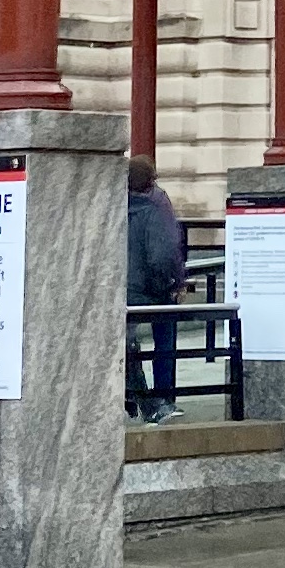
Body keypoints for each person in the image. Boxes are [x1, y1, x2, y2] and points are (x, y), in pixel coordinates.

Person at [125, 158, 187, 418]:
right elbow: (164, 253)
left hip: (122, 287)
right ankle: (163, 398)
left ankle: (132, 395)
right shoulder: (158, 204)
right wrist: (174, 282)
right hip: (153, 290)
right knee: (164, 341)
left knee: (126, 344)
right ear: (152, 179)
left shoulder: (113, 201)